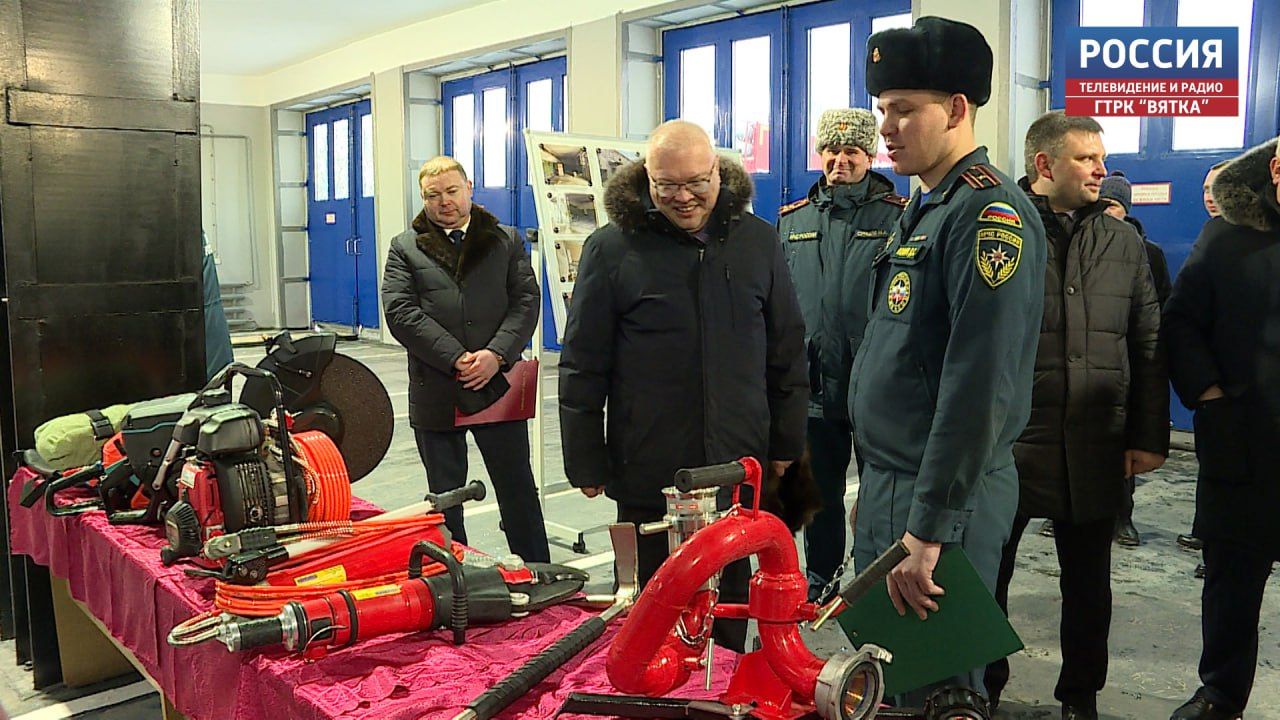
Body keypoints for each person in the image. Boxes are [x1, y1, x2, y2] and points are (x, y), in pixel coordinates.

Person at [850, 16, 1045, 704]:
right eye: (882, 110)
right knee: (890, 678)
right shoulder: (927, 208)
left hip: (940, 498)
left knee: (938, 691)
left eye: (904, 110)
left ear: (957, 108)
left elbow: (978, 383)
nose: (887, 128)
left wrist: (929, 526)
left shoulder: (988, 214)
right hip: (894, 481)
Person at [558, 120, 807, 652]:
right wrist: (585, 458)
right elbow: (583, 363)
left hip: (740, 464)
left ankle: (726, 690)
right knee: (657, 607)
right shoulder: (610, 249)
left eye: (697, 181)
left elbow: (786, 348)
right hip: (650, 463)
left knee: (733, 603)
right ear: (646, 178)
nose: (684, 197)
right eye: (667, 185)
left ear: (720, 172)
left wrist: (787, 444)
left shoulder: (759, 241)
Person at [983, 112, 1168, 720]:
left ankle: (1080, 697)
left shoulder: (1123, 242)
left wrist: (1146, 435)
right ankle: (984, 685)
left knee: (1089, 586)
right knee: (990, 575)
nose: (1101, 169)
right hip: (1009, 443)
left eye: (1101, 158)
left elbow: (1146, 341)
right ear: (1045, 165)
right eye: (1087, 158)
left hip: (1095, 441)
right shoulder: (998, 230)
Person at [382, 156, 550, 563]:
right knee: (445, 494)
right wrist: (456, 358)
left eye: (452, 191)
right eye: (433, 195)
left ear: (469, 187)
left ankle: (538, 570)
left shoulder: (505, 240)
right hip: (437, 386)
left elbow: (526, 301)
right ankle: (454, 577)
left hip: (499, 384)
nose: (444, 202)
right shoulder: (405, 247)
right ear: (423, 198)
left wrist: (496, 354)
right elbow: (400, 311)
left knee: (517, 486)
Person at [1164, 136, 1280, 720]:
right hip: (1245, 444)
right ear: (1277, 171)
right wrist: (1210, 400)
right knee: (1232, 581)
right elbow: (1180, 322)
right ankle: (1220, 693)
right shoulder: (1225, 238)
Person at [776, 108, 906, 600]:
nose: (840, 161)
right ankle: (822, 577)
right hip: (812, 384)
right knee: (818, 493)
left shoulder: (897, 216)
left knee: (881, 493)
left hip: (876, 383)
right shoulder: (794, 220)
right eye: (832, 151)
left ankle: (875, 578)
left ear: (869, 156)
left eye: (851, 152)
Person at [1098, 170, 1174, 547]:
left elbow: (1159, 310)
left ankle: (1122, 517)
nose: (1108, 212)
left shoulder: (1149, 253)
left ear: (1125, 210)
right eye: (1104, 204)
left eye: (1114, 205)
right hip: (1093, 364)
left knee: (1123, 447)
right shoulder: (1085, 243)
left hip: (1127, 364)